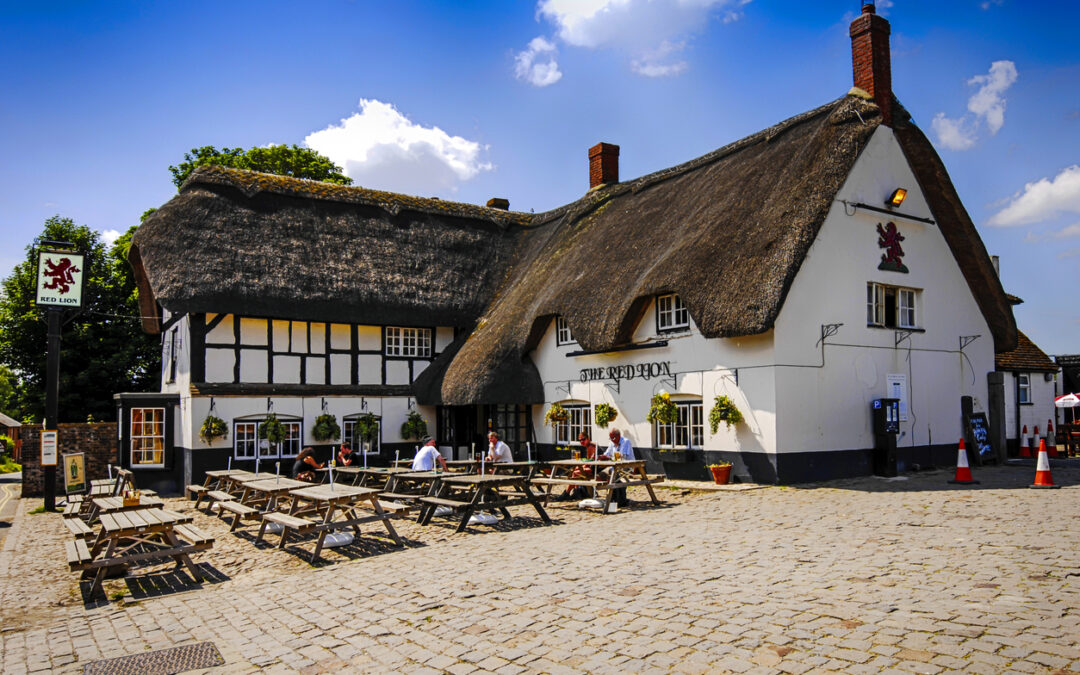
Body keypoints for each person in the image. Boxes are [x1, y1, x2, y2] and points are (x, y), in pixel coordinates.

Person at [554, 432, 597, 502]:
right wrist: (582, 466)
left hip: (595, 469)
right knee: (576, 470)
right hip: (592, 467)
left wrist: (583, 466)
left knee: (576, 473)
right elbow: (589, 461)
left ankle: (568, 493)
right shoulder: (588, 446)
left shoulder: (592, 447)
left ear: (588, 439)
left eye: (583, 439)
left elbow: (592, 461)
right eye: (580, 440)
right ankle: (576, 491)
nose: (581, 441)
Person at [600, 428, 634, 507]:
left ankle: (617, 498)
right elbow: (607, 454)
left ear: (619, 436)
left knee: (613, 474)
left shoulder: (625, 442)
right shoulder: (611, 443)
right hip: (615, 466)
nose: (612, 440)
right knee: (602, 474)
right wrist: (602, 456)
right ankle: (614, 496)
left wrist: (610, 457)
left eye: (613, 438)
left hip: (627, 465)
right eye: (610, 438)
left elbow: (622, 456)